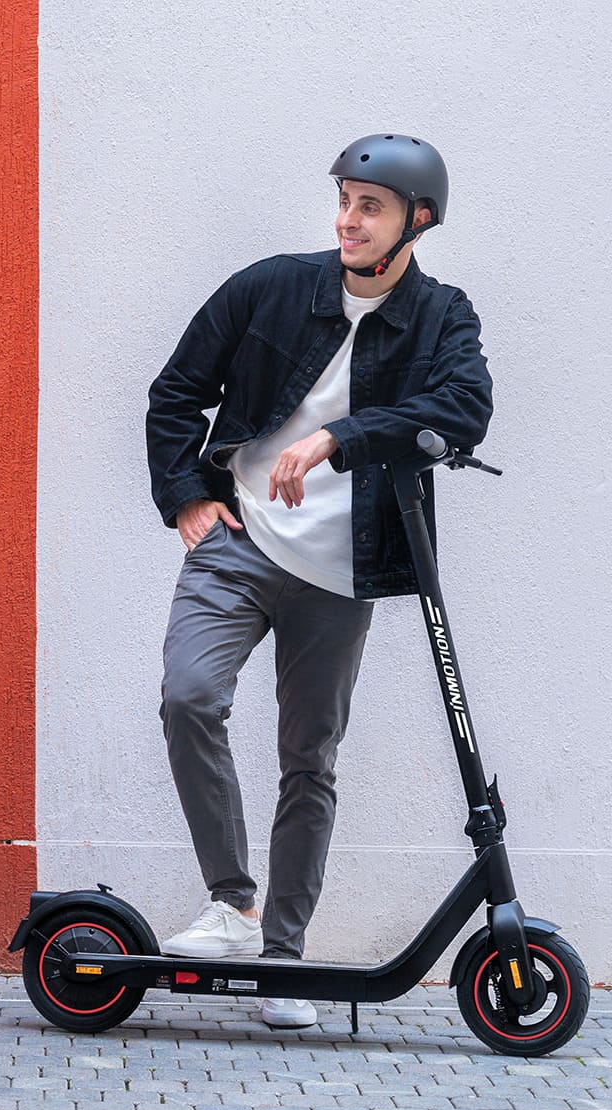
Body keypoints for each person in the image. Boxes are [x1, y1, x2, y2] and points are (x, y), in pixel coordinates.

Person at [146, 134, 492, 1029]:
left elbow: (465, 408)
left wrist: (341, 435)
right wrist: (187, 498)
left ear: (416, 221)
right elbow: (175, 391)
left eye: (369, 205)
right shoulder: (271, 287)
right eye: (342, 198)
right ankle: (232, 904)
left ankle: (284, 960)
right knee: (189, 696)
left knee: (310, 758)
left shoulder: (441, 316)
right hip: (242, 543)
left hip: (344, 573)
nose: (347, 218)